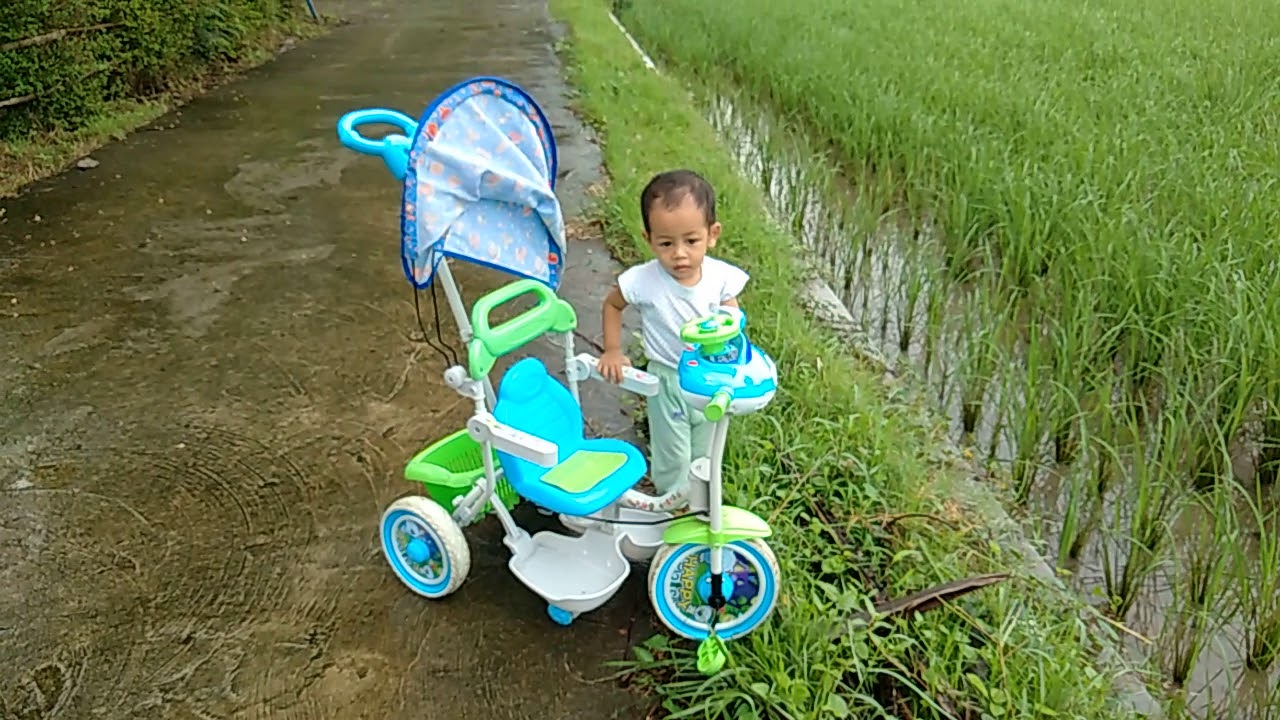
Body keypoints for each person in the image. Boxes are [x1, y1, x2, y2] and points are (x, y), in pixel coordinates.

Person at [598, 169, 749, 497]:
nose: (679, 253)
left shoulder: (720, 278)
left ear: (712, 234)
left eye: (691, 241)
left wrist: (733, 349)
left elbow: (732, 319)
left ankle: (701, 500)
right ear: (648, 239)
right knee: (673, 454)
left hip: (709, 376)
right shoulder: (642, 280)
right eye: (666, 243)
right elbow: (612, 305)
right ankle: (671, 504)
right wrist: (612, 349)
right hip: (667, 379)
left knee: (705, 450)